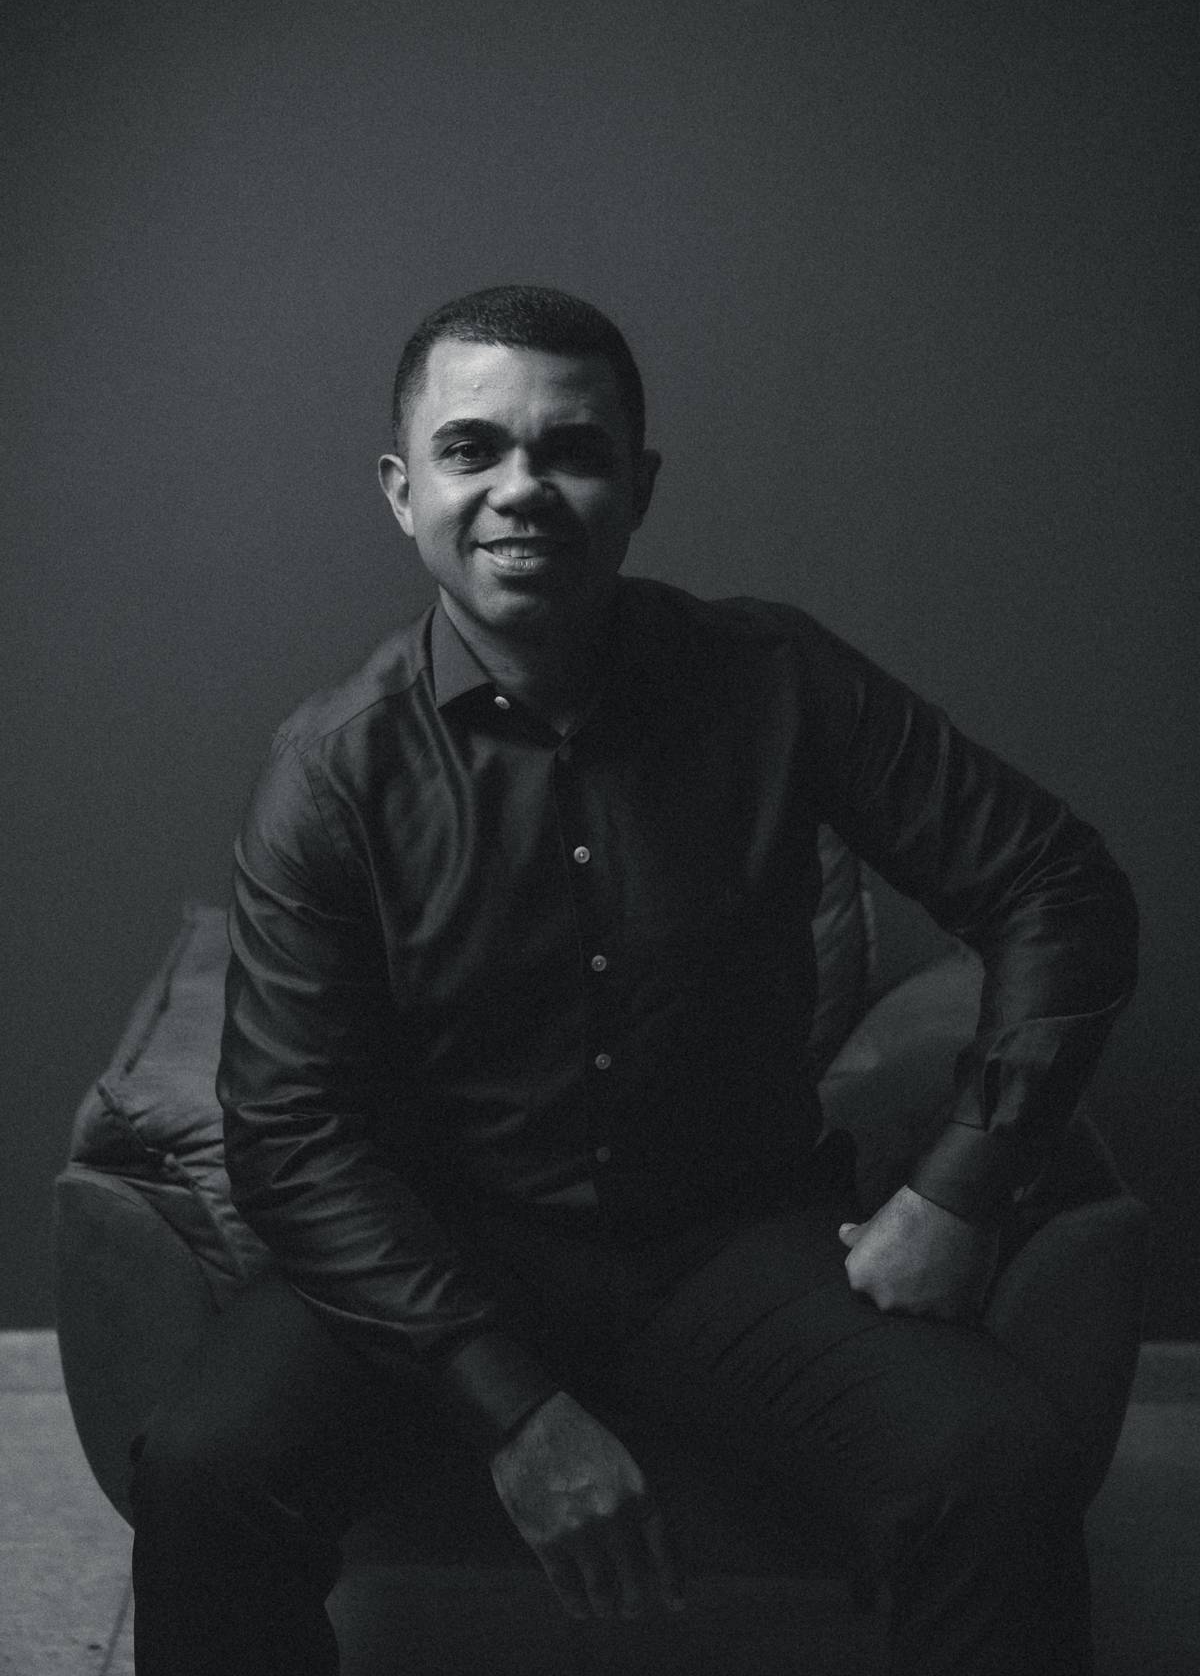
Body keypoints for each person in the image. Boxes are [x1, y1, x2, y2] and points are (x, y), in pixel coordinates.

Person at [129, 285, 1138, 1675]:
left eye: (573, 451)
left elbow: (1058, 886)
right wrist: (513, 1409)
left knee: (997, 1468)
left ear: (640, 487)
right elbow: (288, 1131)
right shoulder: (331, 769)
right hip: (442, 1247)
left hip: (737, 1240)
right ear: (403, 491)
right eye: (473, 449)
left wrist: (965, 1183)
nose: (521, 488)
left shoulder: (777, 679)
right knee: (202, 1470)